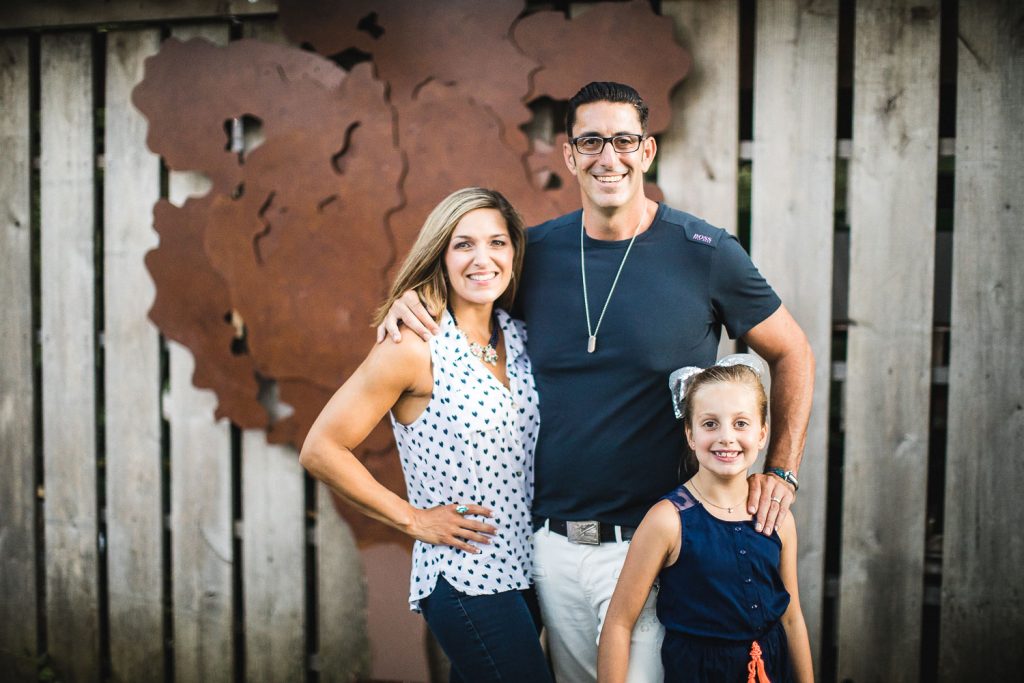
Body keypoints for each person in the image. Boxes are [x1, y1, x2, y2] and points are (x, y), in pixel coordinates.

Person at [379, 82, 814, 682]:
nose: (608, 157)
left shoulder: (705, 253)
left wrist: (783, 470)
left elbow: (791, 351)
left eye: (624, 140)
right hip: (549, 550)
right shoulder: (535, 254)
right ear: (569, 155)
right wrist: (412, 300)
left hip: (657, 545)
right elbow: (466, 294)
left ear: (647, 150)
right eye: (590, 141)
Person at [300, 187, 553, 683]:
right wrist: (414, 521)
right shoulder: (414, 346)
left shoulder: (521, 335)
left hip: (528, 571)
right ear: (441, 253)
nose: (483, 258)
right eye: (464, 245)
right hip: (465, 576)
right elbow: (322, 449)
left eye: (497, 243)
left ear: (514, 253)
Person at [597, 356, 813, 683]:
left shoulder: (777, 517)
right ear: (690, 435)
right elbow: (618, 623)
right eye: (710, 424)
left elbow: (792, 619)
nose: (726, 437)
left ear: (762, 434)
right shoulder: (667, 520)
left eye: (741, 423)